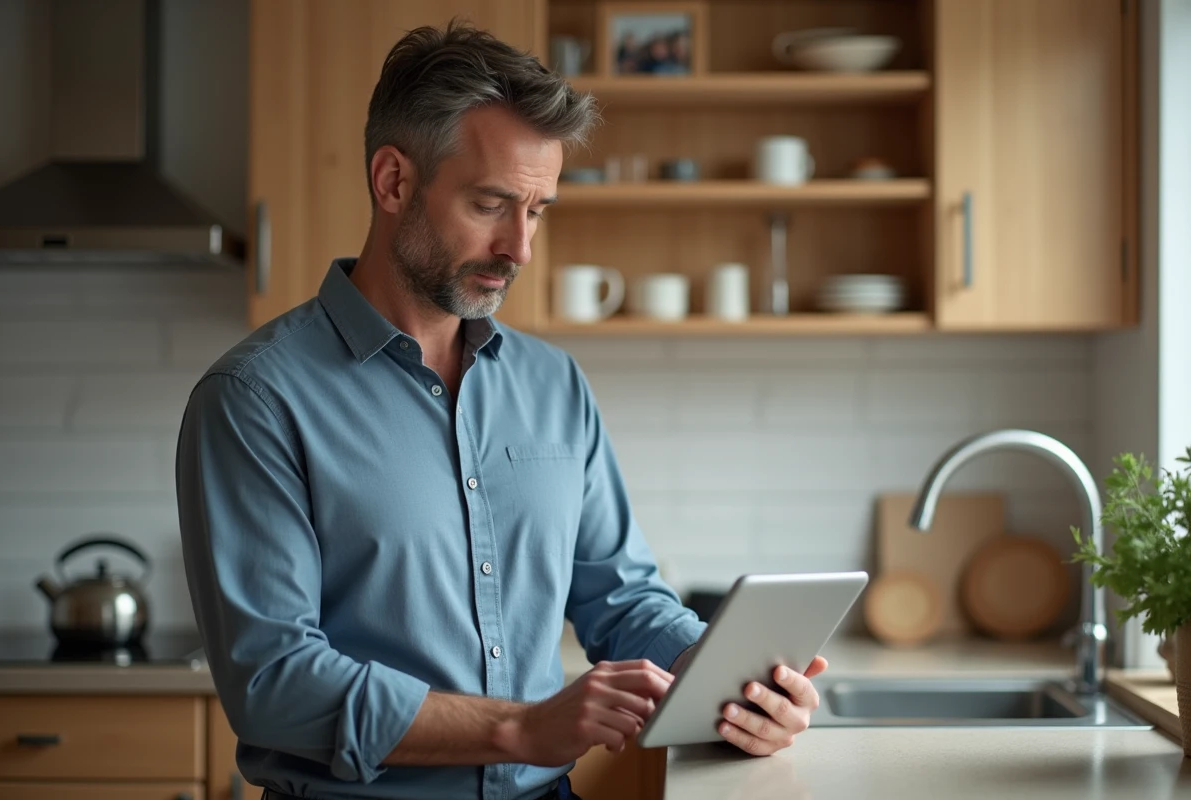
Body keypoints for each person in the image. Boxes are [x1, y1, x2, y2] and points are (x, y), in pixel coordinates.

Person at [175, 21, 828, 800]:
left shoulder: (553, 385)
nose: (518, 247)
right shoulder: (256, 400)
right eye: (491, 204)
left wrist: (731, 679)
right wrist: (519, 728)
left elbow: (621, 598)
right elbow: (274, 683)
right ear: (393, 182)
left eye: (538, 211)